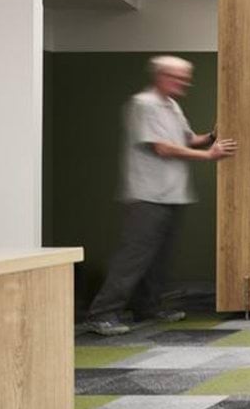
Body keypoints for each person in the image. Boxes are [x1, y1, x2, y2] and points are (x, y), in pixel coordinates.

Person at [85, 56, 236, 336]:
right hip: (147, 195)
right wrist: (208, 155)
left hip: (172, 194)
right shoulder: (144, 105)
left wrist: (212, 137)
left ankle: (148, 307)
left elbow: (188, 139)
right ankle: (102, 313)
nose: (184, 83)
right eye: (178, 77)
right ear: (161, 76)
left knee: (159, 257)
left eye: (185, 78)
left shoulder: (172, 106)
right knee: (133, 257)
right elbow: (162, 148)